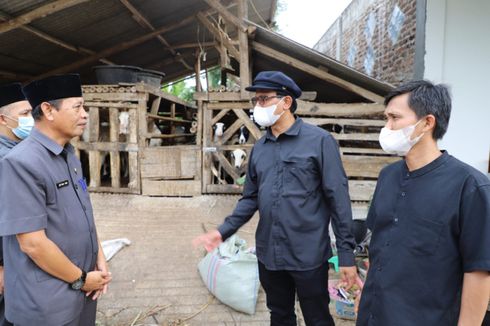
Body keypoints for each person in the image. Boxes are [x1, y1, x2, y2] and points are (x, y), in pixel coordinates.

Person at [193, 71, 357, 326]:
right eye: (256, 101)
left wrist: (347, 256)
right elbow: (250, 198)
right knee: (279, 315)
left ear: (286, 102)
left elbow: (338, 201)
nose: (258, 106)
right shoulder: (260, 148)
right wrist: (222, 231)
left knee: (317, 318)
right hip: (270, 254)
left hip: (308, 255)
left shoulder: (320, 142)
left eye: (264, 99)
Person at [356, 80, 490, 325]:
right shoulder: (388, 176)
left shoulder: (470, 187)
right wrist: (366, 296)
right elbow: (379, 245)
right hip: (375, 315)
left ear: (427, 122)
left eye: (395, 118)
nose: (387, 127)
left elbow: (478, 272)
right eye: (386, 118)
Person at [0, 74, 112, 326]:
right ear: (49, 111)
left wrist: (99, 257)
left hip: (81, 286)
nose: (85, 114)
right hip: (48, 300)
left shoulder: (69, 155)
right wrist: (82, 279)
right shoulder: (21, 163)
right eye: (77, 107)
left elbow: (84, 211)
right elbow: (32, 244)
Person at [0, 83, 33, 326]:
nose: (31, 120)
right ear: (3, 119)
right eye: (25, 114)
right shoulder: (4, 159)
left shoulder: (19, 151)